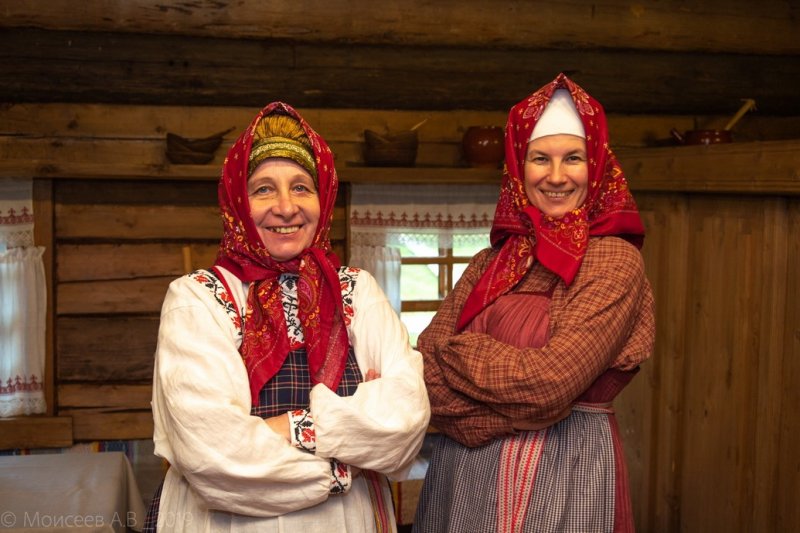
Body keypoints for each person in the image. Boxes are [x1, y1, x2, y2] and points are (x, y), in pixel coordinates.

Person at [144, 102, 430, 532]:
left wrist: (284, 428)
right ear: (238, 203)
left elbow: (405, 420)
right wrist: (344, 463)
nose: (285, 207)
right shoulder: (197, 298)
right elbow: (213, 453)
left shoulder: (357, 290)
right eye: (263, 189)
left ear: (323, 198)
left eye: (301, 187)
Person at [412, 73, 655, 532]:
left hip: (562, 465)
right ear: (517, 169)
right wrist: (506, 412)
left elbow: (550, 385)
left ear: (597, 166)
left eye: (573, 158)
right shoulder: (492, 260)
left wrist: (457, 352)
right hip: (459, 474)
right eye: (540, 158)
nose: (556, 176)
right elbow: (422, 369)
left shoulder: (613, 260)